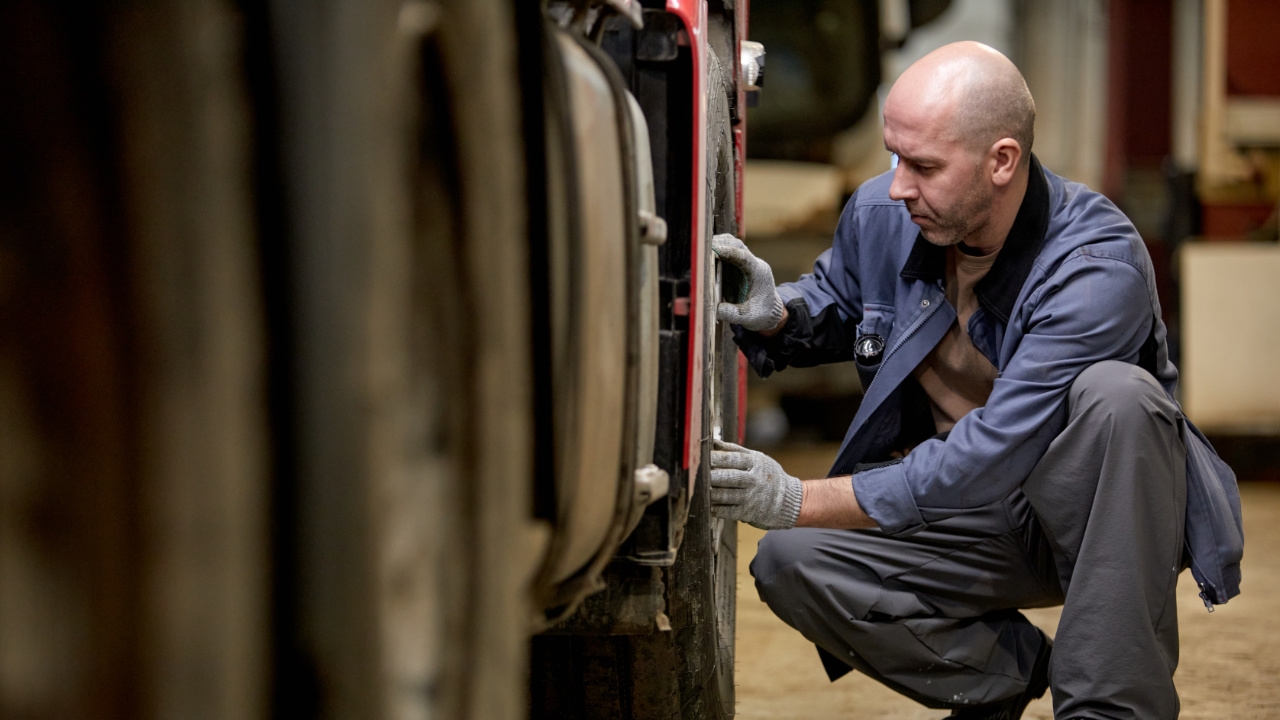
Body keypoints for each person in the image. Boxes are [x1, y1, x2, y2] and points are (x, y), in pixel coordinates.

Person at [710, 41, 1242, 719]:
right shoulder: (886, 212)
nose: (899, 184)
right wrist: (778, 314)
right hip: (968, 517)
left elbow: (990, 453)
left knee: (1119, 399)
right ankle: (1004, 676)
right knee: (793, 560)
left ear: (1002, 162)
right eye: (895, 156)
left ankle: (1110, 706)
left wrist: (797, 496)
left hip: (1089, 519)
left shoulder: (1096, 266)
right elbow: (841, 301)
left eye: (925, 166)